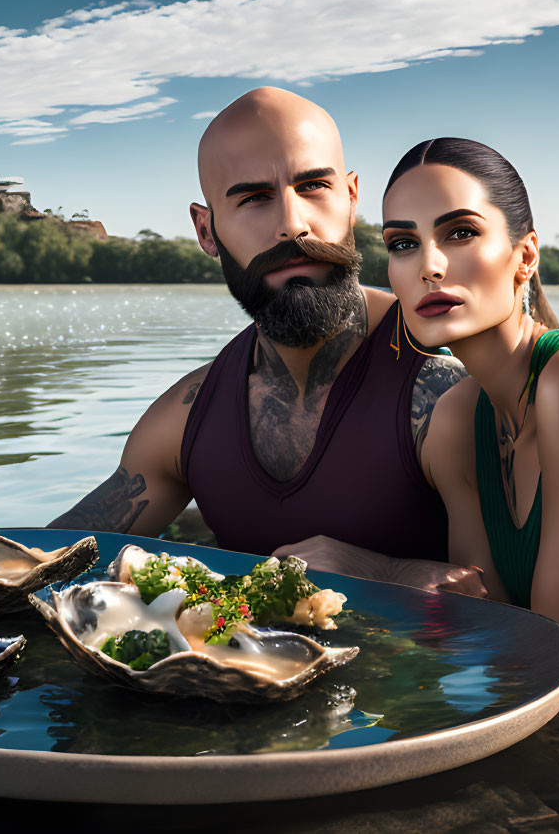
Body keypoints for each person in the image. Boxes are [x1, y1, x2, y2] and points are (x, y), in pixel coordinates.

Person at [49, 88, 472, 580]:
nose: (292, 226)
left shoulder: (445, 390)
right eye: (253, 198)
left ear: (351, 198)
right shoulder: (183, 422)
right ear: (207, 231)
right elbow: (46, 563)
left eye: (313, 187)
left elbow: (519, 619)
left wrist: (386, 572)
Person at [374, 137, 559, 638]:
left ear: (525, 255)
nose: (428, 266)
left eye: (460, 233)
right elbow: (488, 628)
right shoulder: (455, 421)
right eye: (403, 244)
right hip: (547, 692)